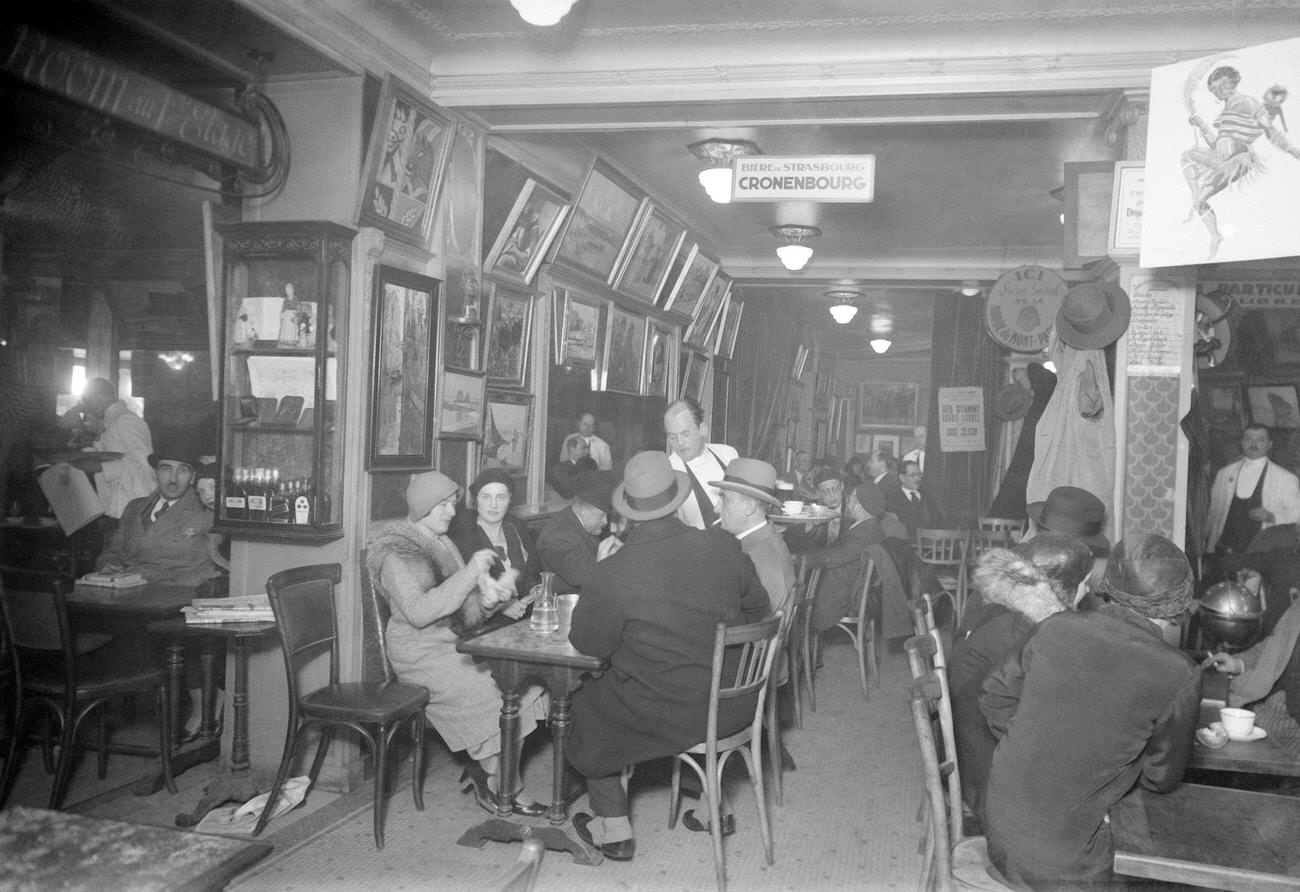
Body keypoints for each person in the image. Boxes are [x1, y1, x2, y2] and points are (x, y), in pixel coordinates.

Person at [566, 451, 769, 861]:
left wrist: (598, 578)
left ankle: (614, 829)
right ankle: (715, 809)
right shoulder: (723, 546)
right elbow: (758, 612)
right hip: (731, 705)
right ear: (677, 500)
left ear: (627, 513)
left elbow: (589, 645)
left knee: (585, 707)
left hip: (663, 712)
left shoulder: (614, 570)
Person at [979, 534, 1201, 890]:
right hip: (1068, 865)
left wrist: (1042, 747)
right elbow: (1161, 778)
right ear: (1177, 609)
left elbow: (994, 695)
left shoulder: (1057, 625)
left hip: (999, 830)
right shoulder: (1179, 671)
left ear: (1108, 584)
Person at [366, 472, 549, 817]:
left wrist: (493, 599)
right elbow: (420, 613)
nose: (452, 512)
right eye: (444, 505)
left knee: (524, 687)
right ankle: (507, 784)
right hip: (417, 653)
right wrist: (470, 575)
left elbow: (462, 610)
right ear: (423, 508)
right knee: (495, 694)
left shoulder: (443, 543)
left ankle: (494, 779)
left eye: (453, 504)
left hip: (450, 642)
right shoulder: (396, 554)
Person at [949, 534, 1093, 820]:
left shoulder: (1015, 620)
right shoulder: (1029, 636)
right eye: (1085, 583)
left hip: (971, 750)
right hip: (982, 774)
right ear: (1060, 587)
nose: (1088, 591)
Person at [1182, 65, 1300, 257]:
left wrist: (1291, 149)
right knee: (1197, 196)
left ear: (1228, 83)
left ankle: (1200, 201)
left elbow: (1271, 131)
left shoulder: (1246, 102)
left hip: (1238, 160)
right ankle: (1215, 235)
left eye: (1218, 88)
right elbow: (1216, 144)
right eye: (1213, 90)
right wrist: (1202, 124)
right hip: (1221, 160)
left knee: (1191, 167)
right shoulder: (1227, 110)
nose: (1217, 93)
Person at [95, 448, 220, 588]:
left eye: (182, 471)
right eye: (166, 469)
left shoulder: (207, 509)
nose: (173, 479)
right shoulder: (134, 507)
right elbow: (114, 550)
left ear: (192, 477)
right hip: (124, 588)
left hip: (173, 594)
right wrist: (109, 564)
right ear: (156, 474)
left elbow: (217, 564)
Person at [1204, 424, 1300, 568]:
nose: (1253, 444)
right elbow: (1213, 513)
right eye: (1248, 439)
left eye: (1260, 440)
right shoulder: (1224, 474)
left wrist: (1271, 516)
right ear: (1241, 443)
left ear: (1269, 444)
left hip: (1260, 554)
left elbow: (1296, 513)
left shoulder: (1286, 478)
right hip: (1224, 550)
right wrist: (1206, 547)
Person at [803, 481, 891, 632]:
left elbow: (830, 558)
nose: (847, 503)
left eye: (849, 500)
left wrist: (798, 559)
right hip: (849, 587)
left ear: (858, 507)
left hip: (840, 597)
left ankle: (802, 644)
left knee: (795, 596)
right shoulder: (872, 527)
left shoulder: (862, 534)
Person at [1202, 594, 1300, 729]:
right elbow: (1274, 643)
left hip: (1289, 726)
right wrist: (1239, 663)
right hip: (1263, 707)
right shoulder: (1297, 608)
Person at [712, 458, 796, 615]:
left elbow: (761, 631)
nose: (716, 508)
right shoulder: (762, 543)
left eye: (724, 499)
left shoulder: (761, 558)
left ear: (749, 507)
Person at [65, 377, 156, 521]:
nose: (87, 408)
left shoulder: (125, 420)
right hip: (116, 504)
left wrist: (101, 467)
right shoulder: (110, 420)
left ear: (97, 398)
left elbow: (146, 466)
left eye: (87, 402)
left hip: (131, 507)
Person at [448, 468, 540, 600]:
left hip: (524, 613)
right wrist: (503, 607)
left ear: (509, 499)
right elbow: (462, 591)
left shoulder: (516, 529)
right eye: (486, 497)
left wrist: (534, 588)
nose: (493, 504)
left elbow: (530, 575)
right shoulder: (463, 536)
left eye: (501, 497)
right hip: (486, 616)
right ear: (476, 500)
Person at [536, 469, 620, 593]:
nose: (606, 522)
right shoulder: (555, 536)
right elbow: (577, 576)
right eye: (602, 515)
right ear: (585, 512)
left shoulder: (582, 525)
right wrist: (609, 557)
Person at [663, 398, 738, 530]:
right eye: (672, 437)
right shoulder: (667, 470)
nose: (679, 443)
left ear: (702, 429)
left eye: (685, 434)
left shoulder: (728, 454)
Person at [886, 459, 944, 535]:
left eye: (919, 474)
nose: (918, 479)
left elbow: (938, 521)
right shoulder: (892, 499)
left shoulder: (928, 496)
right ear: (902, 478)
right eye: (913, 475)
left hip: (929, 544)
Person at [547, 434, 598, 499]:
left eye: (587, 448)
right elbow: (569, 493)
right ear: (572, 450)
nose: (587, 452)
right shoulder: (560, 469)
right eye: (583, 448)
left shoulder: (591, 465)